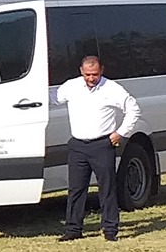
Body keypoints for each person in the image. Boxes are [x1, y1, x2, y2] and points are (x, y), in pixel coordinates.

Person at [54, 53, 142, 241]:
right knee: (76, 189)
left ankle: (110, 230)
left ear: (101, 70)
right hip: (77, 145)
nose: (91, 79)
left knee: (107, 188)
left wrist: (121, 132)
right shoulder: (71, 86)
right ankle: (73, 230)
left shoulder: (112, 89)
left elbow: (133, 108)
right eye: (87, 74)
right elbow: (53, 97)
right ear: (81, 71)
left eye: (95, 74)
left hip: (102, 145)